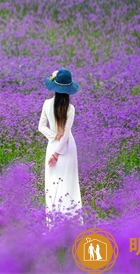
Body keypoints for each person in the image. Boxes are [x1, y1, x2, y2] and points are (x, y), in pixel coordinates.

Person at [38, 68, 83, 229]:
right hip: (68, 149)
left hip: (53, 147)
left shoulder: (46, 104)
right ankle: (72, 226)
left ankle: (53, 226)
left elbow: (41, 127)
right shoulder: (70, 109)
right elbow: (66, 135)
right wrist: (57, 152)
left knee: (52, 186)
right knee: (69, 186)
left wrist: (53, 137)